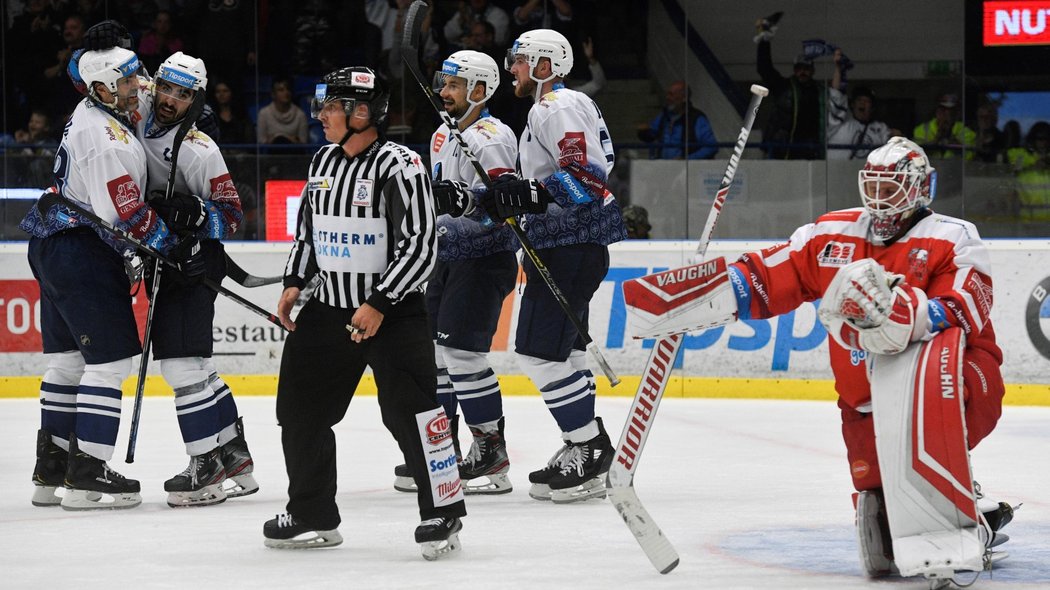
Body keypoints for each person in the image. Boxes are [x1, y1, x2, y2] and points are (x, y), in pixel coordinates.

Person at [627, 136, 1010, 577]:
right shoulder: (831, 234)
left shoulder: (954, 238)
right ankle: (967, 505)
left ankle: (959, 513)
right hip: (865, 396)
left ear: (922, 188)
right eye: (876, 187)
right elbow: (767, 277)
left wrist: (904, 314)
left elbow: (964, 309)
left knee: (925, 468)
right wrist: (697, 298)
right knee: (880, 525)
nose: (882, 199)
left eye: (894, 188)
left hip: (956, 376)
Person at [265, 66, 466, 559]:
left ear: (362, 112)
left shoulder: (401, 165)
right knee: (299, 409)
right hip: (329, 308)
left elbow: (421, 246)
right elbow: (309, 236)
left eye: (331, 107)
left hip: (392, 312)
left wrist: (378, 303)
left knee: (414, 415)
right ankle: (311, 511)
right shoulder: (323, 162)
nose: (322, 116)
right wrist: (294, 282)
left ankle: (443, 511)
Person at [19, 46, 199, 511]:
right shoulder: (105, 137)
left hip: (51, 242)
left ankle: (51, 473)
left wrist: (104, 47)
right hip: (82, 250)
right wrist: (170, 243)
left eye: (136, 77)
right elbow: (123, 214)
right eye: (125, 81)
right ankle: (88, 474)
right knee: (110, 364)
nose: (137, 87)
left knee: (66, 364)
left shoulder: (92, 107)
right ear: (100, 88)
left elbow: (90, 65)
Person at [491, 29, 626, 504]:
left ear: (545, 65)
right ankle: (583, 443)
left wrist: (534, 193)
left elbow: (587, 175)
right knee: (565, 355)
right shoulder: (554, 106)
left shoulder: (556, 106)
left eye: (519, 60)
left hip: (569, 245)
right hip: (569, 245)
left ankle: (589, 445)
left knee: (537, 352)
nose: (513, 68)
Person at [393, 50, 520, 496]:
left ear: (480, 91)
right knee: (435, 357)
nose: (442, 93)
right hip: (447, 256)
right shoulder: (443, 135)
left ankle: (490, 453)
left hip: (485, 258)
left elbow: (506, 208)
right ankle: (440, 451)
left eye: (452, 85)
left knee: (463, 356)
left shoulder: (492, 138)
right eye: (442, 84)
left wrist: (467, 201)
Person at [136, 51, 257, 507]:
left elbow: (232, 218)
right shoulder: (138, 113)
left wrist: (193, 211)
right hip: (164, 257)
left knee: (183, 366)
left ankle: (206, 465)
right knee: (201, 366)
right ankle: (233, 454)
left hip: (195, 261)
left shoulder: (201, 149)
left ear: (196, 98)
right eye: (165, 88)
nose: (169, 99)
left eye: (182, 94)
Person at [755, 15, 824, 159]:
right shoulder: (784, 87)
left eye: (806, 69)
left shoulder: (819, 91)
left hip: (809, 150)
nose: (802, 72)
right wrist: (765, 41)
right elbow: (764, 68)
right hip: (782, 148)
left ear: (812, 71)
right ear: (794, 70)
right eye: (799, 68)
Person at [826, 48, 891, 160]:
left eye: (867, 101)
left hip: (866, 176)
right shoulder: (840, 123)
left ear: (872, 107)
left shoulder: (880, 128)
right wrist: (838, 68)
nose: (863, 103)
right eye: (859, 100)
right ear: (852, 104)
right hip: (836, 175)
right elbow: (836, 96)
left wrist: (897, 136)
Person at [637, 80, 717, 160]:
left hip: (686, 169)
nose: (667, 97)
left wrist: (687, 159)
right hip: (663, 167)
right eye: (667, 94)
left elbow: (711, 147)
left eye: (671, 94)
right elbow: (652, 133)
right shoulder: (664, 116)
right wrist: (644, 131)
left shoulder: (697, 118)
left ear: (684, 98)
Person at [1005, 121, 1050, 221]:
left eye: (1047, 139)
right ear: (1033, 139)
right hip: (1028, 222)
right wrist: (1034, 163)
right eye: (1040, 139)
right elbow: (1012, 163)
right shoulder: (1021, 156)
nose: (1044, 143)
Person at [913, 93, 975, 160]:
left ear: (957, 113)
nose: (947, 114)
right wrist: (936, 139)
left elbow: (969, 157)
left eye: (951, 111)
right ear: (936, 111)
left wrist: (951, 138)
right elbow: (917, 155)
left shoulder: (967, 132)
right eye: (943, 110)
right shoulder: (922, 130)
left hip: (955, 169)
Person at [256, 77, 308, 145]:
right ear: (273, 94)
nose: (286, 93)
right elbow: (261, 142)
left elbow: (303, 143)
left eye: (288, 89)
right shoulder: (264, 114)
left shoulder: (300, 115)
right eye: (281, 90)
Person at [444, 0, 511, 48]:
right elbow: (448, 35)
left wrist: (470, 23)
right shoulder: (465, 12)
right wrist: (460, 23)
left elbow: (498, 40)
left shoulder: (499, 14)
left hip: (491, 56)